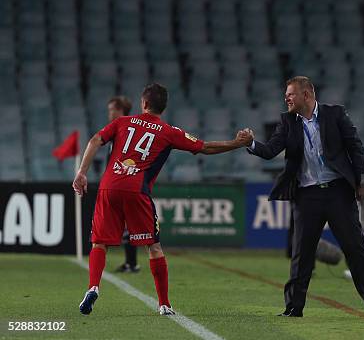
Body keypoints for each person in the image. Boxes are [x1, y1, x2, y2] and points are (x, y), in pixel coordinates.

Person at [73, 83, 253, 316]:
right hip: (137, 191)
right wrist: (236, 144)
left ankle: (93, 287)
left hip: (109, 187)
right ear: (163, 107)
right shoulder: (169, 131)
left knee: (99, 243)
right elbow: (205, 147)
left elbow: (95, 140)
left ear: (144, 103)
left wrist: (81, 172)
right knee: (154, 247)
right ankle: (164, 304)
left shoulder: (122, 122)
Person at [245, 76, 364, 318]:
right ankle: (294, 306)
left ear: (306, 95)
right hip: (306, 195)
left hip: (339, 191)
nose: (286, 98)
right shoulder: (287, 122)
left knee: (354, 247)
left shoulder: (335, 114)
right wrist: (251, 144)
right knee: (302, 252)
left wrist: (361, 181)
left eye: (290, 94)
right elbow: (270, 150)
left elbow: (355, 148)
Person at [106, 96, 140, 273]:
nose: (110, 113)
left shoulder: (126, 130)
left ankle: (133, 264)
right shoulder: (117, 130)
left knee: (130, 227)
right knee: (128, 227)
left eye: (113, 110)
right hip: (118, 183)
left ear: (121, 111)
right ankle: (131, 263)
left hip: (127, 184)